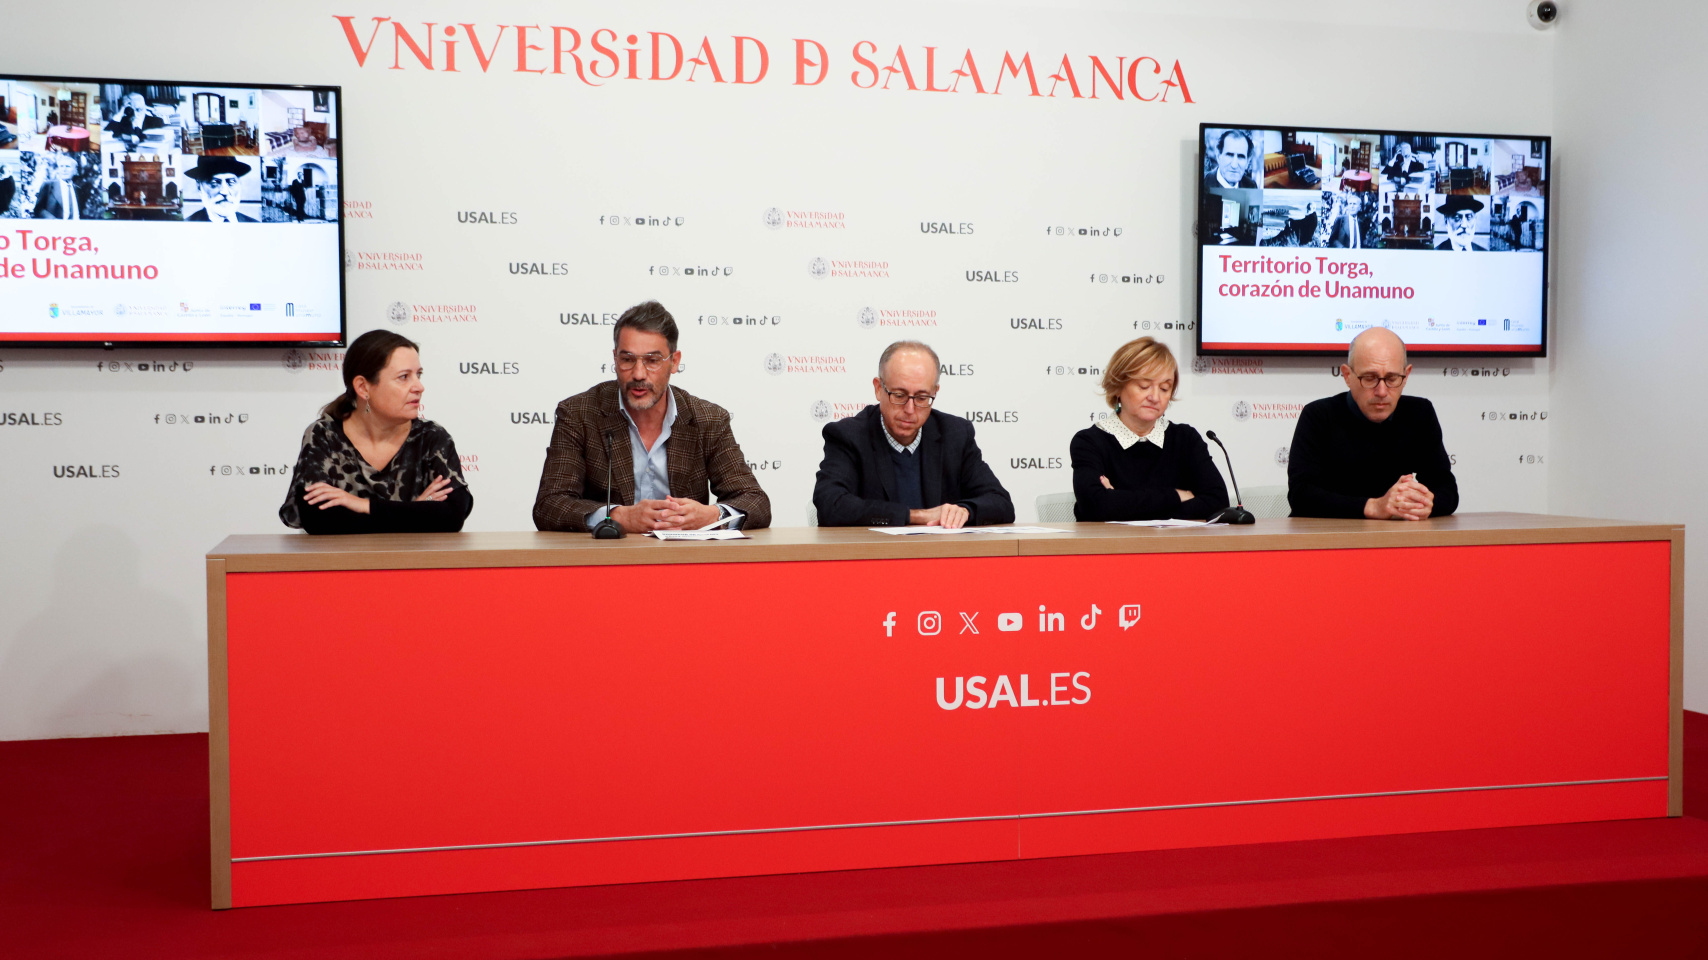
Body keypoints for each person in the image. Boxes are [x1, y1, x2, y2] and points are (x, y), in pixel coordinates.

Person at [533, 300, 771, 533]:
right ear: (615, 359)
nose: (638, 374)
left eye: (652, 361)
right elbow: (549, 505)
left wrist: (712, 515)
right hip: (606, 561)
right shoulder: (579, 414)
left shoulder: (707, 419)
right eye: (627, 360)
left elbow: (756, 502)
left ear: (674, 362)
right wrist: (618, 516)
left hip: (684, 563)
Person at [280, 330, 473, 534]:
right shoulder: (325, 435)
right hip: (344, 563)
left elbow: (452, 515)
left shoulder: (431, 437)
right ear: (363, 388)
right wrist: (415, 510)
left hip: (414, 563)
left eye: (419, 375)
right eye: (404, 377)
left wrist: (361, 505)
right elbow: (318, 519)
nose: (419, 386)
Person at [813, 340, 1014, 528]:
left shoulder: (955, 434)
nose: (910, 409)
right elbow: (831, 505)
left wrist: (964, 512)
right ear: (878, 389)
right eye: (899, 395)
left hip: (940, 559)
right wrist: (917, 516)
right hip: (875, 559)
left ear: (935, 392)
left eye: (921, 397)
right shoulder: (849, 436)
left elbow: (1001, 502)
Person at [1287, 328, 1458, 520]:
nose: (1382, 391)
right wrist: (1374, 507)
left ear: (1406, 375)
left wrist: (1426, 504)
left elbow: (1446, 489)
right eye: (1370, 378)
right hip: (1325, 539)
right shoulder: (1318, 415)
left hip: (1393, 540)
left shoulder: (1420, 413)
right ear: (1347, 376)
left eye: (1392, 378)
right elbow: (1301, 496)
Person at [1070, 338, 1228, 522]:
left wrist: (1121, 503)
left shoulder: (1185, 439)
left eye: (1164, 388)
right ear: (1118, 386)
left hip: (1176, 548)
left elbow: (1218, 502)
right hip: (1111, 547)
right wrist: (1177, 496)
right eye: (1144, 386)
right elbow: (1096, 506)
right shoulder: (1090, 442)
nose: (1155, 397)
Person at [184, 155, 256, 222]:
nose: (225, 191)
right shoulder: (186, 225)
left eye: (231, 182)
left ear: (240, 184)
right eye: (214, 183)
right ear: (199, 187)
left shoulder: (254, 225)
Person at [29, 150, 88, 219]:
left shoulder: (78, 190)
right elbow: (38, 209)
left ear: (75, 170)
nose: (64, 169)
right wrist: (55, 221)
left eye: (67, 166)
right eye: (61, 166)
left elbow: (81, 212)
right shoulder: (48, 185)